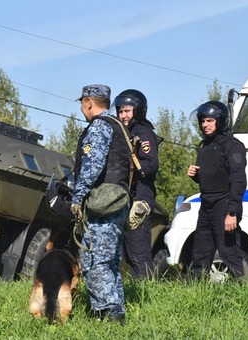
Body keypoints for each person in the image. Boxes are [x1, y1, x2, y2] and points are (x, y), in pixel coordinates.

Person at [70, 84, 131, 325]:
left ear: (88, 102)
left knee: (94, 261)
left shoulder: (99, 127)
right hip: (117, 199)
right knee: (111, 262)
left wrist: (77, 197)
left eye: (82, 104)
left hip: (103, 201)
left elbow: (92, 166)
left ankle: (110, 313)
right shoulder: (118, 126)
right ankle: (116, 312)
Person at [187, 101, 247, 280]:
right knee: (200, 253)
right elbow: (212, 174)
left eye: (210, 121)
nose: (205, 125)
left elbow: (238, 180)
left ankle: (240, 296)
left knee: (229, 253)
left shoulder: (233, 145)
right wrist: (195, 175)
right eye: (203, 121)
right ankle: (198, 294)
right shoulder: (203, 145)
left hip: (225, 203)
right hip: (206, 204)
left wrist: (232, 212)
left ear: (220, 121)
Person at [113, 89, 159, 279]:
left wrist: (132, 165)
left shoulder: (143, 132)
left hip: (140, 195)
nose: (123, 115)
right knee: (127, 252)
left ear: (138, 111)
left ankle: (145, 293)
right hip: (124, 195)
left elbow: (151, 163)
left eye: (127, 111)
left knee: (138, 250)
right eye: (121, 111)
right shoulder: (122, 132)